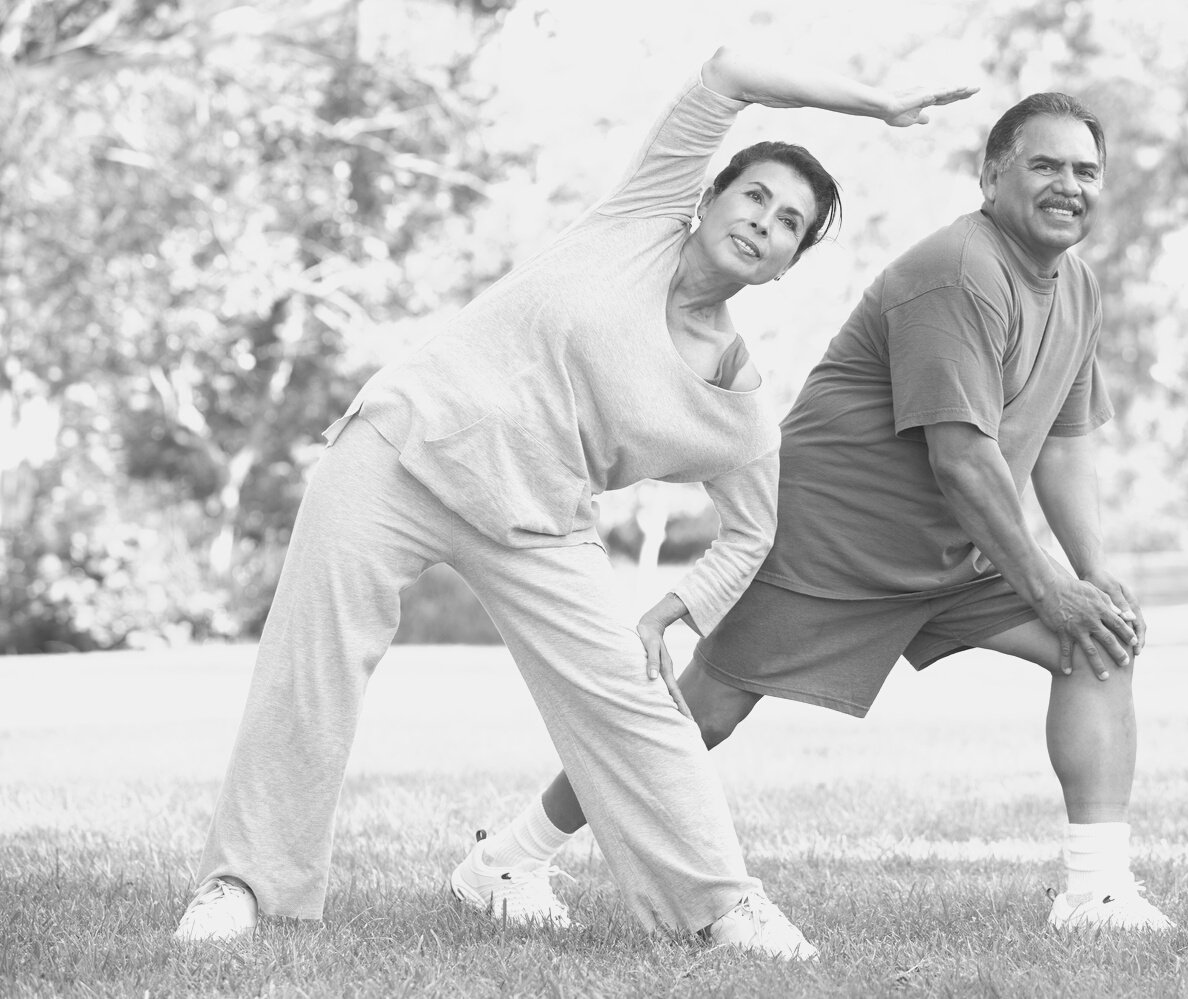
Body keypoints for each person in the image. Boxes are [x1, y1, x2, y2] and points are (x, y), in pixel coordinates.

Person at [172, 46, 977, 958]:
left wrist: (670, 613)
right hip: (402, 447)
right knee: (313, 666)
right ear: (710, 198)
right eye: (754, 195)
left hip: (535, 522)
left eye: (789, 222)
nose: (764, 220)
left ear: (788, 263)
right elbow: (727, 73)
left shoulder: (737, 403)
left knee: (640, 701)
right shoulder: (638, 218)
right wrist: (875, 103)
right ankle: (242, 883)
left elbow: (753, 530)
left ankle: (720, 905)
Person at [478, 91, 1177, 934]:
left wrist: (1092, 577)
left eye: (1085, 170)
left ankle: (1093, 892)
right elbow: (963, 457)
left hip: (956, 545)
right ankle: (508, 860)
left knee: (1096, 640)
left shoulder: (1077, 287)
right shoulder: (959, 272)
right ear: (992, 176)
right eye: (1046, 165)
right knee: (704, 714)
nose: (1069, 185)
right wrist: (1048, 582)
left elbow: (1062, 442)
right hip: (825, 535)